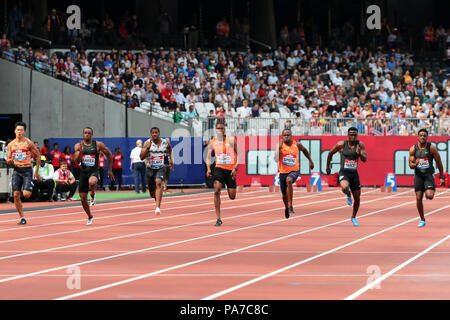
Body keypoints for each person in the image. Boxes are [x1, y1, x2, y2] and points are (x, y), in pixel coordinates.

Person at [326, 127, 367, 227]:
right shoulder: (341, 144)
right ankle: (348, 194)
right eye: (351, 134)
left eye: (355, 134)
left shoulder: (360, 145)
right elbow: (330, 153)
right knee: (344, 187)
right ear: (348, 135)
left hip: (354, 174)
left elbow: (364, 159)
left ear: (357, 135)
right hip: (344, 172)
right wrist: (327, 167)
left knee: (357, 199)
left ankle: (353, 217)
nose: (353, 136)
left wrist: (360, 154)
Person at [74, 127, 114, 226]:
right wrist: (81, 152)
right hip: (83, 173)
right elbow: (76, 161)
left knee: (92, 182)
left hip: (94, 171)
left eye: (89, 133)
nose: (87, 135)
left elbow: (109, 155)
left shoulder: (98, 145)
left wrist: (109, 170)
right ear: (83, 134)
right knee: (83, 199)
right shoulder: (78, 146)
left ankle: (92, 193)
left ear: (92, 135)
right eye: (85, 133)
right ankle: (90, 216)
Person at [408, 129, 446, 228]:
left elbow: (439, 162)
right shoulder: (413, 149)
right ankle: (422, 219)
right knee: (418, 198)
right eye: (421, 135)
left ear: (427, 137)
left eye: (424, 136)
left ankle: (427, 190)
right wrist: (414, 164)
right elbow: (410, 165)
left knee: (430, 196)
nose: (422, 137)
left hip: (428, 175)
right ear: (417, 137)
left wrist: (441, 176)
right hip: (418, 175)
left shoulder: (431, 148)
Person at [274, 129, 314, 219]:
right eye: (284, 135)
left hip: (294, 171)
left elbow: (305, 150)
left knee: (289, 180)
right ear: (282, 136)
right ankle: (286, 207)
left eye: (288, 135)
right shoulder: (280, 145)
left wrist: (310, 161)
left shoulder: (297, 144)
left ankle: (290, 204)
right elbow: (276, 159)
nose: (286, 136)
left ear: (291, 135)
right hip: (283, 172)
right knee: (284, 195)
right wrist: (279, 148)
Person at [6, 122, 41, 225]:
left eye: (21, 130)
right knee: (16, 195)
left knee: (26, 195)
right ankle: (22, 217)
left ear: (24, 131)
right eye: (18, 130)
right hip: (17, 170)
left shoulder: (28, 143)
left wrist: (36, 171)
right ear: (15, 131)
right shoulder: (10, 145)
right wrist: (9, 160)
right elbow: (8, 159)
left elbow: (38, 156)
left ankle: (30, 184)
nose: (19, 132)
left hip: (27, 170)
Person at [206, 123, 239, 227]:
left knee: (232, 196)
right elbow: (208, 156)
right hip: (219, 168)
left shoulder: (231, 140)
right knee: (216, 191)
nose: (220, 130)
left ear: (225, 130)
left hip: (230, 170)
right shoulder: (213, 141)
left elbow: (240, 154)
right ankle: (218, 218)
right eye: (218, 128)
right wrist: (208, 168)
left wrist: (235, 168)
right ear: (215, 130)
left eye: (222, 128)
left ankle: (230, 185)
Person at [140, 127, 174, 215]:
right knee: (152, 193)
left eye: (156, 133)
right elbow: (141, 157)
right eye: (153, 133)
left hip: (160, 167)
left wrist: (170, 160)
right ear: (151, 134)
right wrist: (148, 148)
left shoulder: (165, 142)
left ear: (159, 133)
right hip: (150, 169)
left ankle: (158, 207)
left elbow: (170, 149)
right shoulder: (147, 143)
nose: (155, 134)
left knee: (158, 182)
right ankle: (156, 198)